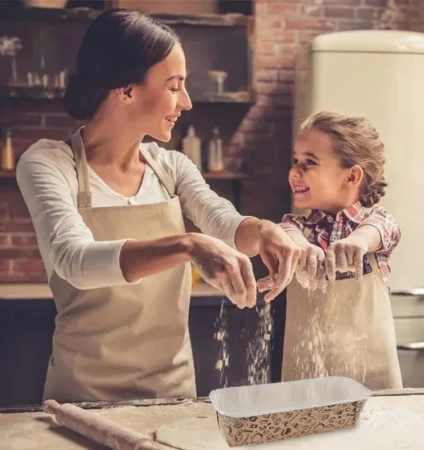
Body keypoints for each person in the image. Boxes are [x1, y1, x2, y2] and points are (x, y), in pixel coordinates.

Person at [16, 9, 302, 403]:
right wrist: (187, 245)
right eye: (173, 86)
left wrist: (265, 230)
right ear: (126, 89)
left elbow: (224, 222)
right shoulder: (49, 163)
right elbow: (74, 260)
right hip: (81, 397)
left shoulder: (171, 167)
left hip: (171, 393)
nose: (185, 102)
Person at [258, 111, 403, 390]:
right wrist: (301, 248)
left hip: (372, 385)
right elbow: (287, 235)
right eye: (295, 161)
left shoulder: (375, 224)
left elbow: (382, 229)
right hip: (307, 384)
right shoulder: (294, 227)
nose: (295, 172)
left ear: (352, 175)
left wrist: (359, 240)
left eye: (309, 163)